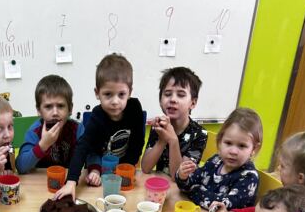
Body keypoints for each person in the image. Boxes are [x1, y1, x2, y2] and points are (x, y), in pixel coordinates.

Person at [54, 54, 145, 198]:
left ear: (130, 93)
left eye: (121, 94)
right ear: (97, 93)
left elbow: (137, 142)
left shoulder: (135, 109)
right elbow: (83, 147)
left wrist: (126, 167)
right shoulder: (97, 116)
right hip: (100, 171)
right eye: (108, 94)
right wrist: (71, 182)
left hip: (124, 171)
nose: (115, 101)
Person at [175, 107, 261, 211]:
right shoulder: (215, 161)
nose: (233, 151)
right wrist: (183, 176)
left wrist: (195, 190)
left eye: (242, 146)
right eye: (228, 143)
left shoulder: (249, 177)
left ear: (254, 149)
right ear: (220, 142)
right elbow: (187, 186)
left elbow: (222, 206)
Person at [141, 66, 207, 178]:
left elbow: (178, 177)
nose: (172, 99)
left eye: (181, 95)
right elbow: (145, 168)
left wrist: (173, 140)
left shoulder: (199, 134)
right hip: (160, 185)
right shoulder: (159, 126)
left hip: (180, 187)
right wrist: (162, 140)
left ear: (193, 103)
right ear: (160, 101)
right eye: (167, 94)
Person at [15, 74, 85, 173]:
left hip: (68, 178)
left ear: (70, 109)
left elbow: (91, 155)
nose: (55, 113)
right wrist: (43, 145)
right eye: (48, 107)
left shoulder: (77, 129)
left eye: (60, 106)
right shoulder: (35, 132)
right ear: (39, 110)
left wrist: (94, 170)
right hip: (40, 180)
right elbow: (21, 167)